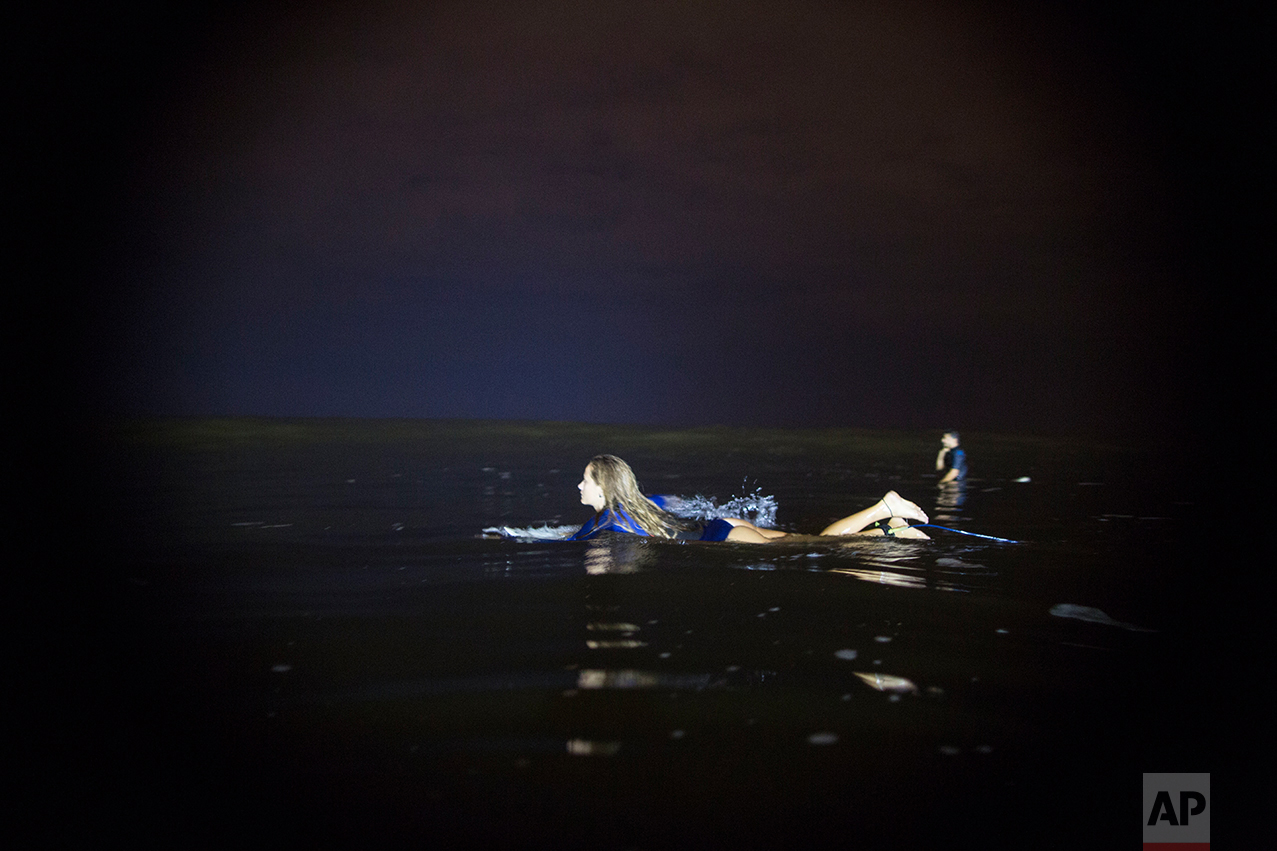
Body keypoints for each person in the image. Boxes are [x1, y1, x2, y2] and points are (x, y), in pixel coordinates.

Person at [569, 454, 929, 543]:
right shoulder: (648, 505)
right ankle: (891, 527)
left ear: (603, 488)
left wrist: (517, 536)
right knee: (807, 541)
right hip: (721, 525)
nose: (579, 486)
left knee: (823, 548)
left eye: (585, 480)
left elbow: (573, 539)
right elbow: (686, 503)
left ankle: (885, 510)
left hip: (720, 538)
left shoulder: (606, 521)